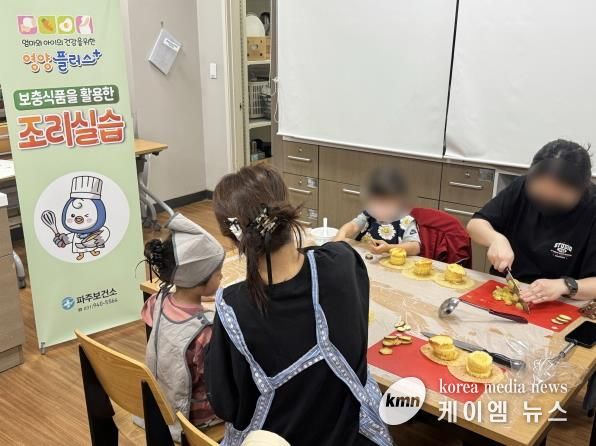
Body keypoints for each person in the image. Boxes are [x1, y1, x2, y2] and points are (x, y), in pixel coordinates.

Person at [205, 165, 391, 446]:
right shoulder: (342, 262)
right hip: (354, 437)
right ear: (286, 210)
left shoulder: (233, 308)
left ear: (232, 237)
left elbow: (226, 405)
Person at [467, 139, 596, 304]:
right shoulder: (520, 186)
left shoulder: (592, 209)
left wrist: (565, 286)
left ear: (582, 189)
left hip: (564, 302)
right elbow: (476, 224)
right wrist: (496, 239)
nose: (547, 202)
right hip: (508, 291)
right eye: (540, 195)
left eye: (557, 199)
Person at [141, 213, 225, 440]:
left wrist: (199, 300)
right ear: (199, 281)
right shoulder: (205, 331)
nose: (221, 276)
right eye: (218, 273)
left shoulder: (157, 301)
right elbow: (218, 381)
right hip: (194, 416)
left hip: (160, 403)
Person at [335, 166, 421, 256]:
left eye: (386, 205)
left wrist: (389, 248)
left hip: (390, 262)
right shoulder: (369, 214)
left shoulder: (406, 221)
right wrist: (342, 233)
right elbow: (353, 226)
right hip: (364, 258)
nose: (380, 209)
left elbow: (415, 247)